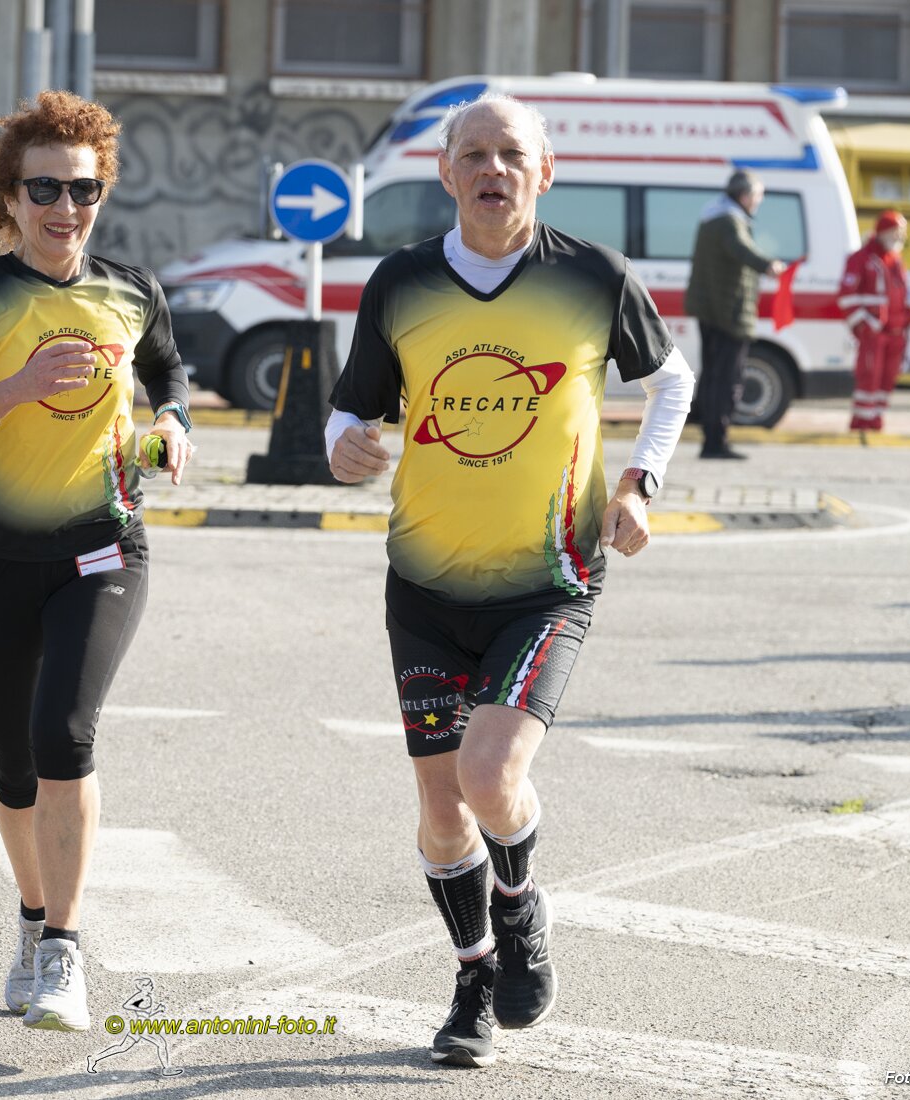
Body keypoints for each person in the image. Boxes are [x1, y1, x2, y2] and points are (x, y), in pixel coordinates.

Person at [325, 94, 693, 1068]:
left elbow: (672, 381)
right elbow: (351, 409)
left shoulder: (593, 275)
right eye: (476, 154)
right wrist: (343, 445)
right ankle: (474, 975)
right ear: (446, 171)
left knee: (490, 776)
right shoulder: (401, 281)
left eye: (512, 154)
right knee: (442, 808)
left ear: (545, 171)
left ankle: (520, 901)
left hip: (549, 580)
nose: (494, 169)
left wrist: (641, 482)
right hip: (424, 585)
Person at [0, 90, 193, 1033]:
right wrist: (15, 390)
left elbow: (167, 370)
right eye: (45, 189)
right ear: (11, 197)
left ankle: (65, 951)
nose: (65, 208)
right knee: (14, 762)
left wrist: (173, 422)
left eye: (84, 189)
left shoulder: (132, 290)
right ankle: (32, 919)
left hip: (104, 547)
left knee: (65, 734)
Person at [683, 169, 787, 459]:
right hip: (728, 313)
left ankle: (711, 438)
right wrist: (768, 265)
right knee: (727, 378)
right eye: (758, 196)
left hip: (712, 309)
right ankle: (716, 442)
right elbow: (741, 249)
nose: (759, 202)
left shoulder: (714, 215)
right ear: (745, 196)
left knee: (713, 374)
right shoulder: (729, 222)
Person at [839, 210, 910, 431]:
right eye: (896, 231)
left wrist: (907, 320)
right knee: (869, 377)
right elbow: (846, 295)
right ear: (883, 231)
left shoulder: (895, 259)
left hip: (896, 333)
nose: (900, 237)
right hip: (874, 333)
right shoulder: (861, 258)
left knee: (887, 379)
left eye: (902, 232)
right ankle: (862, 421)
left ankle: (876, 419)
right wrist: (863, 325)